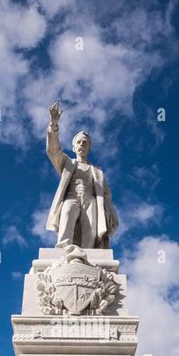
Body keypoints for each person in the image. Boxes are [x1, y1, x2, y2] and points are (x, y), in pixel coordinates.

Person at [45, 101, 118, 248]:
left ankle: (87, 256)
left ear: (89, 148)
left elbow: (106, 194)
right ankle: (64, 251)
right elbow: (53, 151)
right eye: (79, 142)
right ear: (73, 147)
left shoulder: (97, 170)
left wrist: (107, 210)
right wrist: (53, 124)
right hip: (71, 197)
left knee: (90, 231)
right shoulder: (67, 163)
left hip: (91, 200)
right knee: (66, 218)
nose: (81, 145)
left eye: (85, 143)